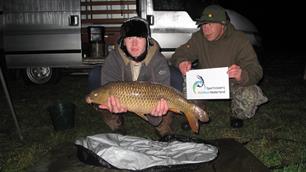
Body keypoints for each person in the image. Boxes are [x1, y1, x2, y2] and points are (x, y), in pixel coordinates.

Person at [171, 5, 268, 128]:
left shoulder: (239, 39)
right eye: (203, 24)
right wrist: (181, 62)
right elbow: (179, 54)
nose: (205, 29)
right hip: (204, 85)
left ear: (223, 24)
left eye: (210, 24)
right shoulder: (198, 38)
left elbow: (256, 70)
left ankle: (236, 114)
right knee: (184, 85)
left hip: (231, 83)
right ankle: (196, 112)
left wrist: (241, 74)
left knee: (251, 95)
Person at [88, 17, 173, 136]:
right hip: (125, 98)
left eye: (139, 37)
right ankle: (116, 123)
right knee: (96, 77)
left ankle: (162, 126)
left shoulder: (158, 60)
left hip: (150, 99)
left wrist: (156, 117)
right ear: (123, 41)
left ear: (147, 40)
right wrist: (112, 107)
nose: (134, 43)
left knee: (174, 81)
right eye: (129, 38)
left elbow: (164, 93)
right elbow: (108, 89)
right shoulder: (113, 59)